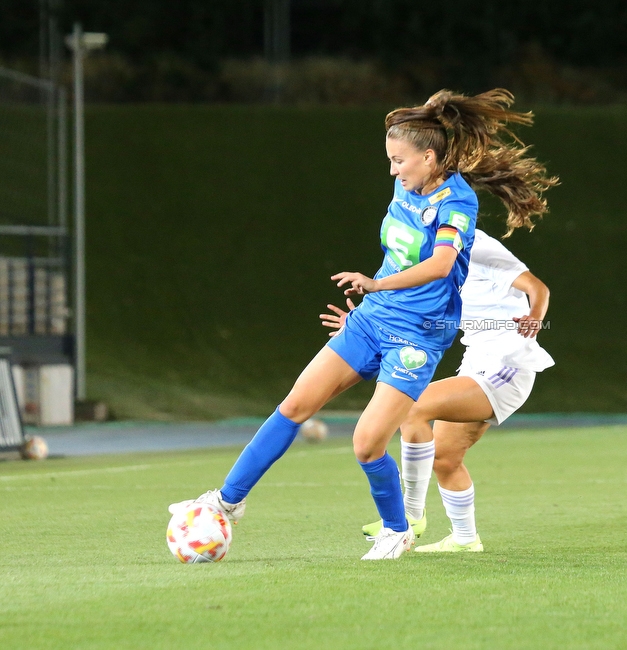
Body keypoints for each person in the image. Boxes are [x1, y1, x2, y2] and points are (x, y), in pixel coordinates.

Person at [169, 89, 557, 561]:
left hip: (417, 337)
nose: (392, 170)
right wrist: (370, 303)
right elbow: (402, 243)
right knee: (294, 405)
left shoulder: (457, 204)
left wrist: (375, 284)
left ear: (429, 158)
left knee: (367, 444)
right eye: (390, 160)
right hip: (373, 320)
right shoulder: (408, 184)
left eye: (400, 160)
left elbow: (439, 266)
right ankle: (227, 501)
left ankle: (398, 530)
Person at [322, 228, 554, 553]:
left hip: (508, 365)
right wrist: (361, 325)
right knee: (445, 459)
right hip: (476, 363)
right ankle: (465, 539)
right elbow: (413, 311)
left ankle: (409, 517)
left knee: (413, 406)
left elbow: (537, 287)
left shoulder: (479, 246)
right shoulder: (432, 257)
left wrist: (534, 319)